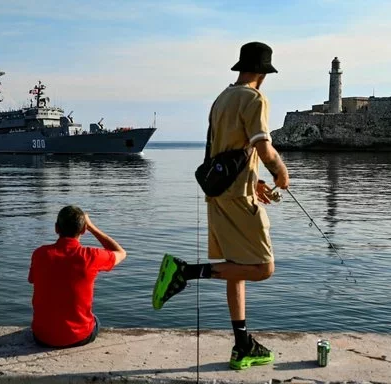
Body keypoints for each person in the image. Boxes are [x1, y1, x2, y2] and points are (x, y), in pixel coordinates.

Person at [151, 42, 290, 370]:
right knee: (263, 268)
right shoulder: (255, 98)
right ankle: (186, 271)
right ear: (263, 73)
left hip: (219, 192)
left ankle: (242, 345)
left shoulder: (222, 98)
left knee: (236, 268)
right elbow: (263, 147)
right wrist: (280, 173)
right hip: (238, 200)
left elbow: (226, 151)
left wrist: (253, 180)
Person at [28, 205, 126, 348]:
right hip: (78, 336)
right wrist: (92, 227)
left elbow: (32, 280)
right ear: (84, 230)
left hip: (41, 336)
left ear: (56, 228)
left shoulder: (40, 254)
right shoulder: (91, 256)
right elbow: (121, 253)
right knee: (95, 320)